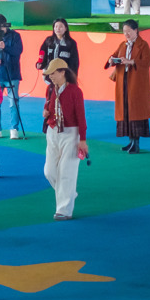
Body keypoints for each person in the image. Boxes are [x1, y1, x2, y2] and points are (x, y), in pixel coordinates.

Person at [41, 59, 88, 221]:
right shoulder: (50, 89)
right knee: (49, 171)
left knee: (67, 172)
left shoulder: (75, 91)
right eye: (49, 74)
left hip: (71, 133)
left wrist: (82, 139)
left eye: (53, 73)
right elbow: (48, 106)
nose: (50, 77)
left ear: (63, 72)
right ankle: (69, 193)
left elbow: (81, 117)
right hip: (52, 131)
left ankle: (64, 210)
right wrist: (46, 111)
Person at [106, 19, 150, 153]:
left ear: (136, 30)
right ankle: (131, 141)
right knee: (125, 110)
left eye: (129, 31)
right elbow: (115, 55)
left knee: (135, 112)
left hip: (137, 83)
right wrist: (111, 59)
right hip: (123, 81)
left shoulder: (143, 45)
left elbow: (147, 61)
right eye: (124, 31)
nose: (126, 34)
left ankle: (136, 143)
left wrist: (131, 62)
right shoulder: (122, 44)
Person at [0, 13, 24, 139]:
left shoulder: (15, 36)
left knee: (14, 103)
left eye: (1, 26)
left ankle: (14, 128)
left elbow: (18, 51)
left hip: (12, 74)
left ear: (6, 25)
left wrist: (5, 47)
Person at [37, 17, 80, 81]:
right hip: (49, 76)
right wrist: (40, 64)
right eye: (56, 26)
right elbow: (43, 55)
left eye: (61, 27)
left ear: (66, 28)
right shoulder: (48, 41)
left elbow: (74, 62)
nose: (58, 29)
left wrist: (72, 77)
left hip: (64, 77)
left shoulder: (71, 43)